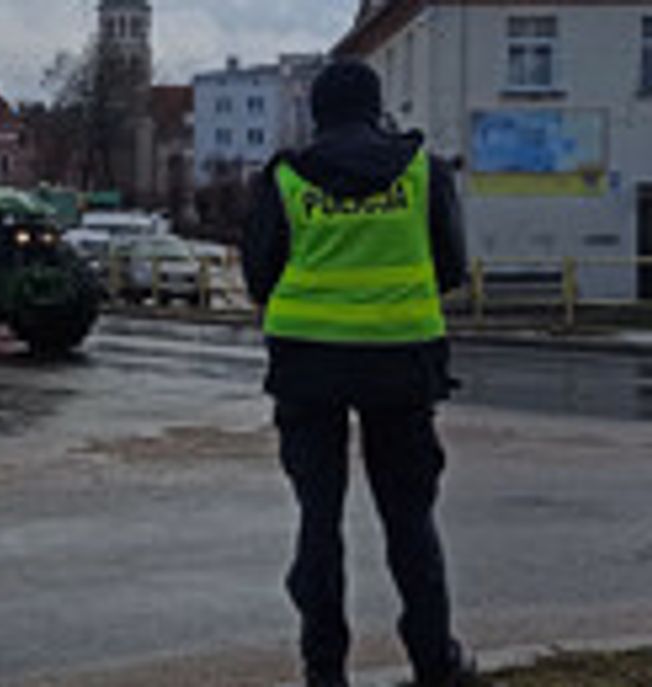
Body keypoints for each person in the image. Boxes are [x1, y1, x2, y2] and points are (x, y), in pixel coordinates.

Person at [242, 59, 475, 687]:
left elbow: (259, 274)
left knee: (319, 522)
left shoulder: (286, 177)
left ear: (317, 113)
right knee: (409, 520)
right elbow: (451, 265)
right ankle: (435, 662)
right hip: (402, 364)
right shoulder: (423, 173)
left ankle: (324, 672)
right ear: (376, 109)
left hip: (307, 368)